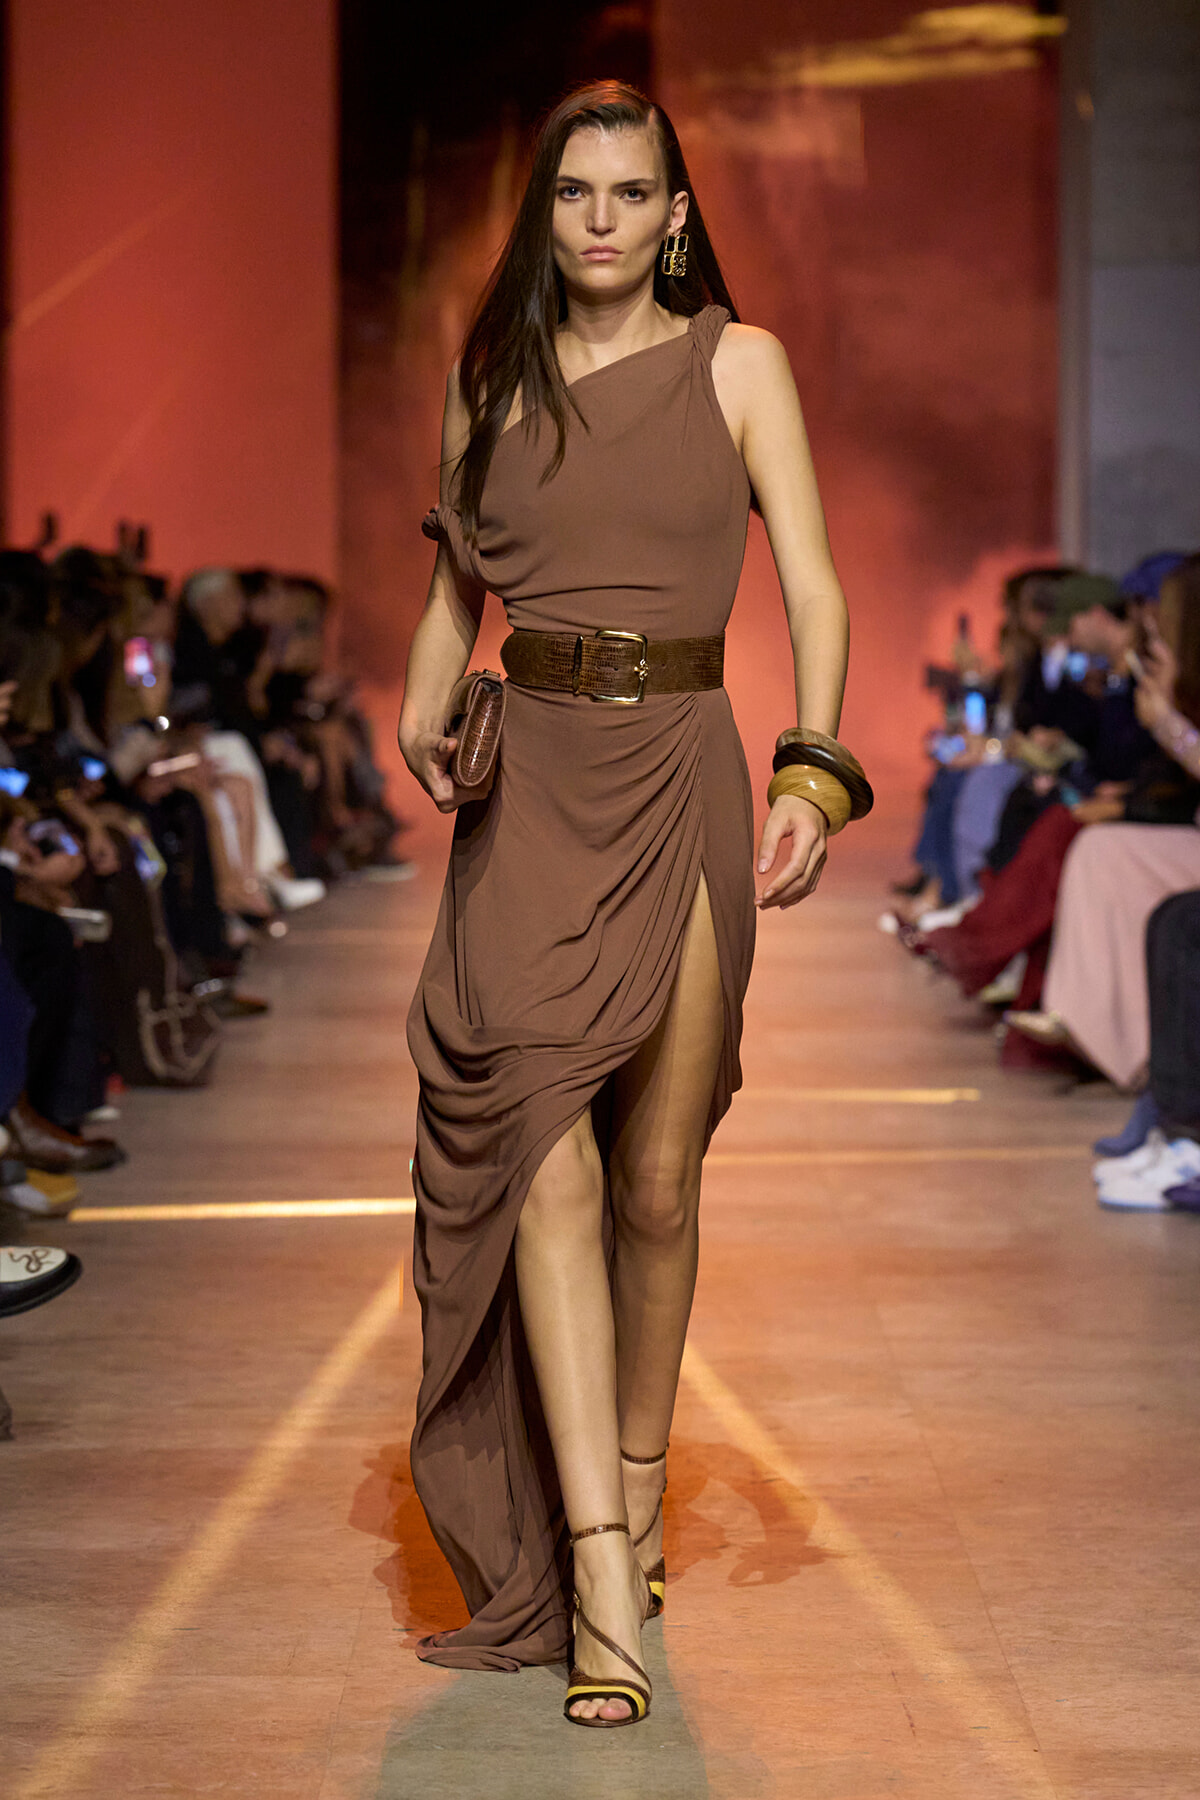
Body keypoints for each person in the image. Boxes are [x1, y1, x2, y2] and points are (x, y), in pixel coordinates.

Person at [397, 82, 863, 1728]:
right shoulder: (496, 374)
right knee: (543, 1156)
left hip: (683, 774)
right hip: (528, 791)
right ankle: (599, 1565)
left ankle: (639, 1490)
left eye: (631, 192)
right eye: (574, 192)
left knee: (658, 1177)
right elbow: (459, 578)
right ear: (549, 213)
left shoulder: (743, 366)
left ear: (675, 211)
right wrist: (420, 697)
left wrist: (811, 773)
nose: (600, 217)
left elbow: (812, 581)